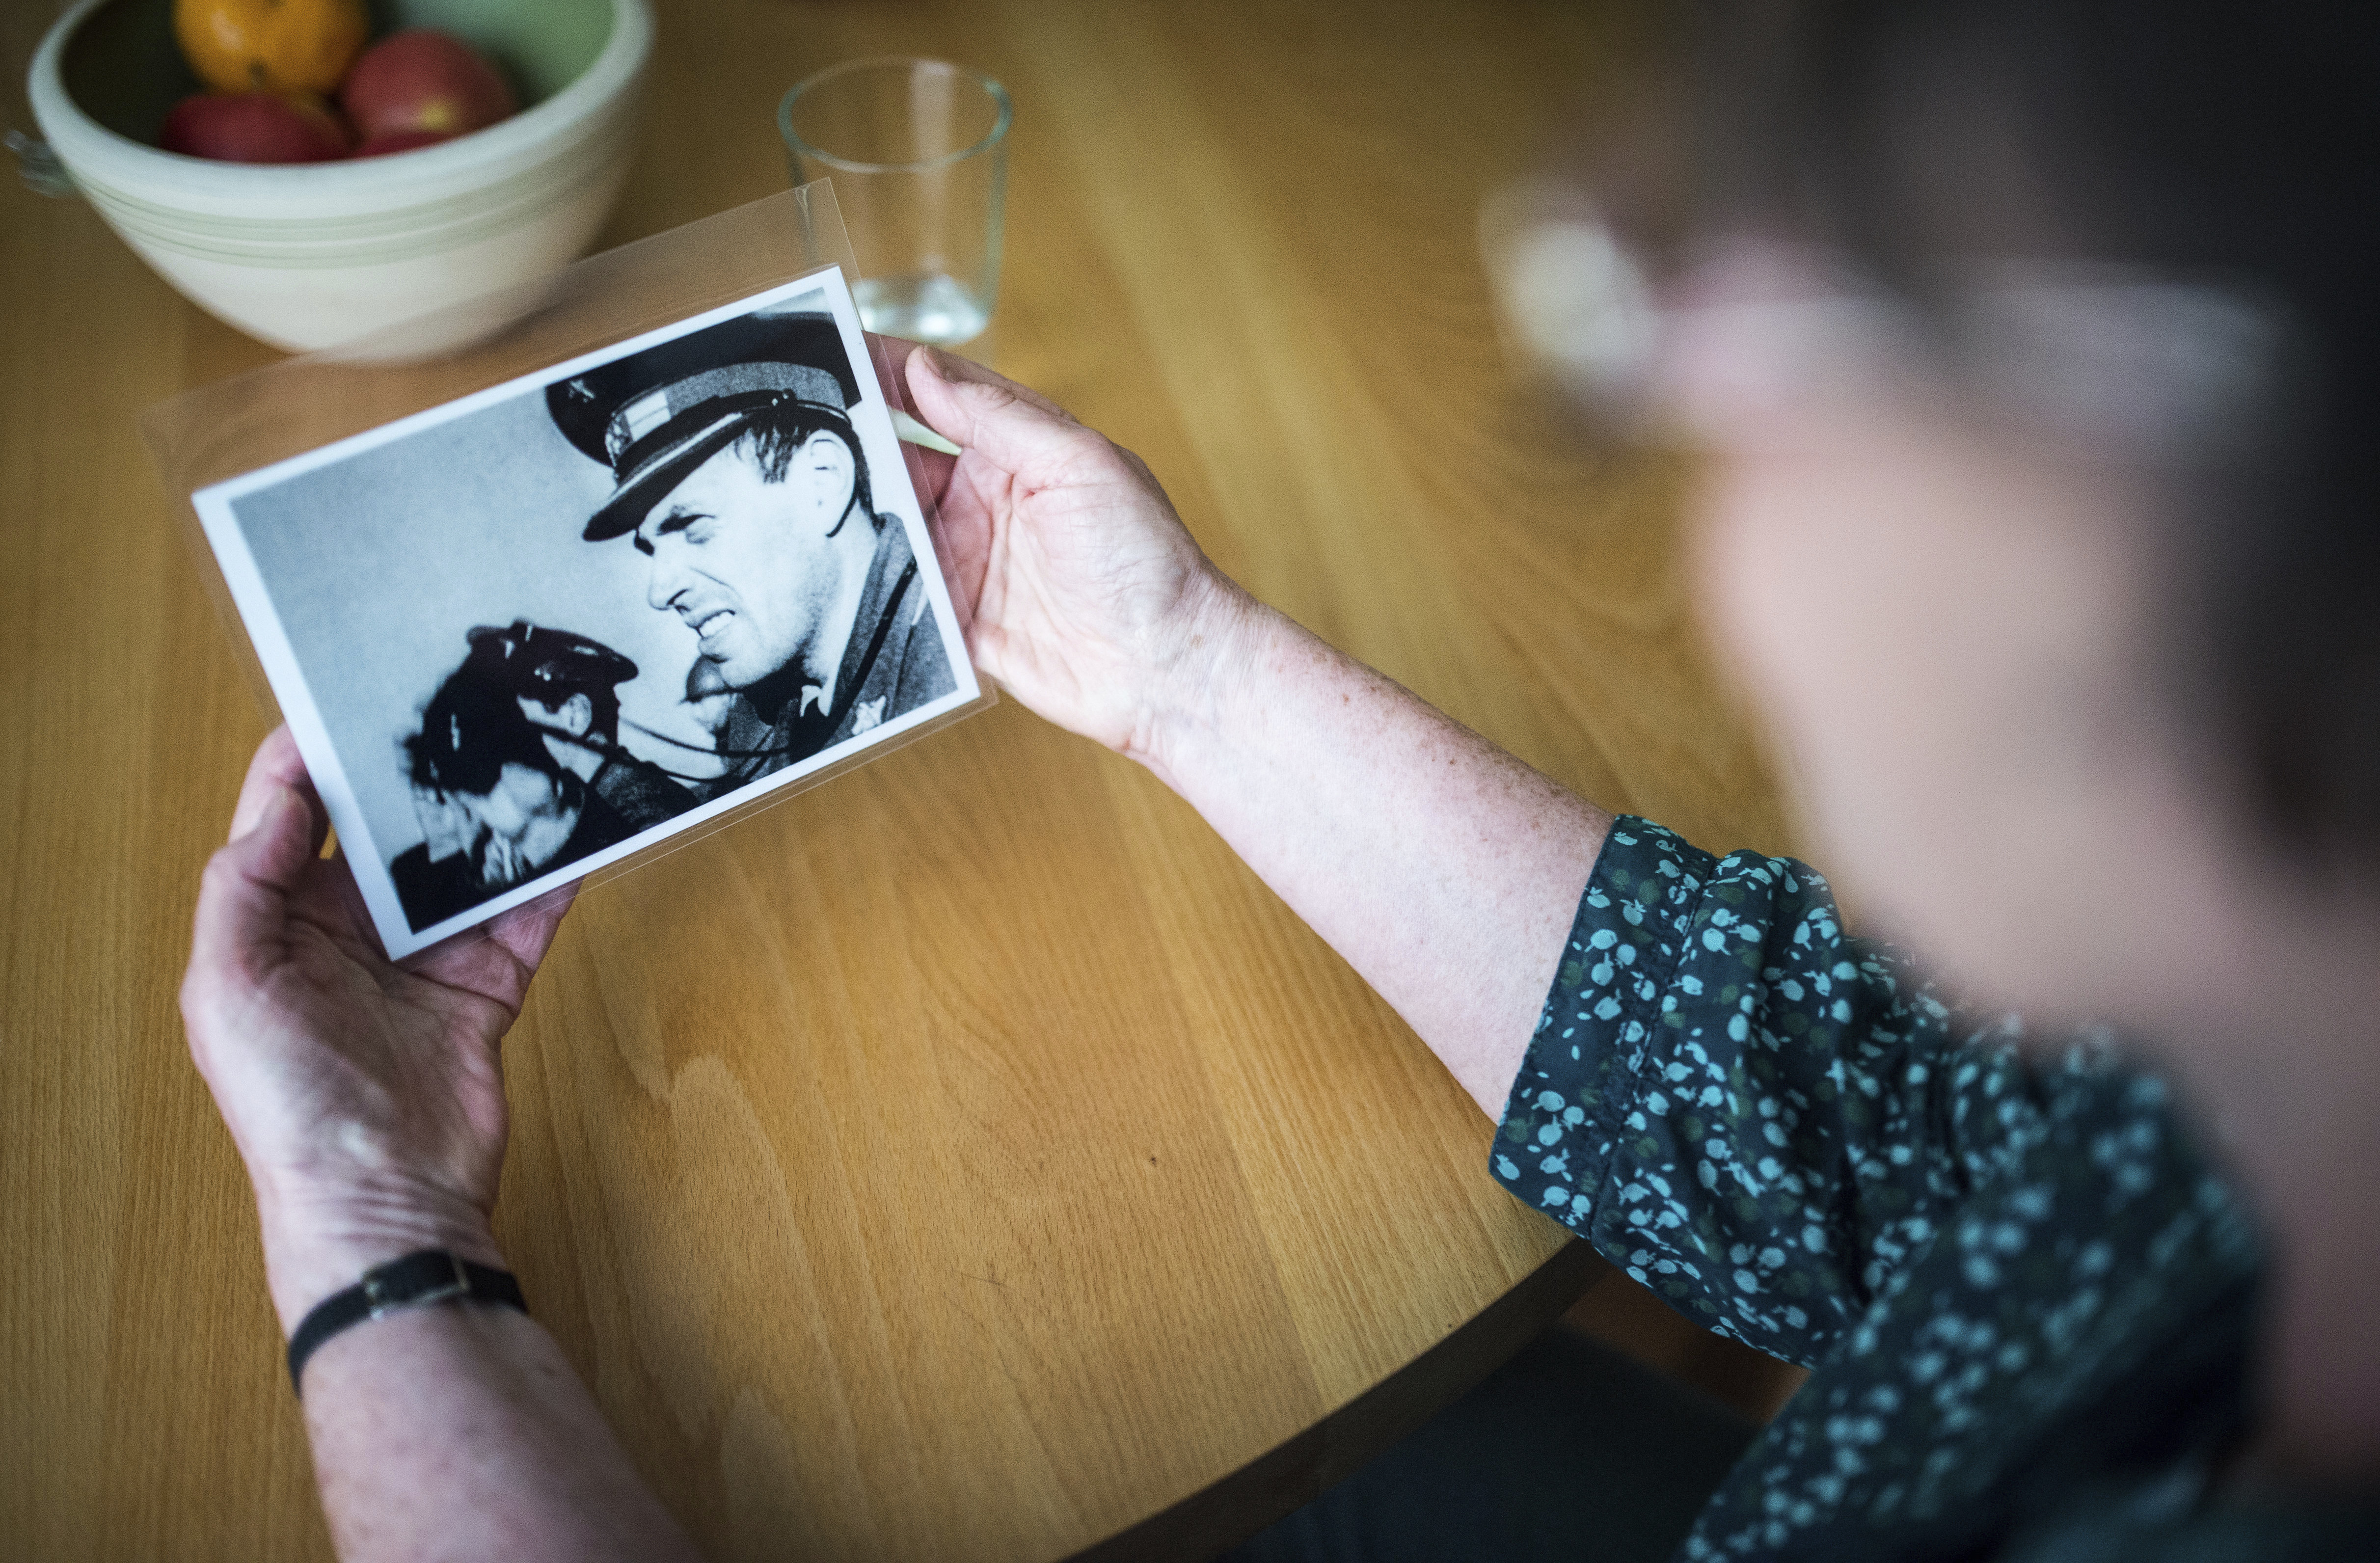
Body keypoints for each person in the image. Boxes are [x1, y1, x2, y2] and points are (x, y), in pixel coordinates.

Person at [177, 2, 2377, 1559]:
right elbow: (1848, 1110)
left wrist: (365, 1216)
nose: (1696, 461)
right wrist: (1181, 670)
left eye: (1793, 329)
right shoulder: (2237, 1092)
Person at [546, 309, 956, 799]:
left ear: (821, 483)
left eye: (693, 526)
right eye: (652, 548)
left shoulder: (948, 655)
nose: (660, 591)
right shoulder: (759, 718)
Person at [390, 622, 693, 931]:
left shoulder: (637, 805)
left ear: (576, 714)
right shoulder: (589, 799)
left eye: (511, 716)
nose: (500, 734)